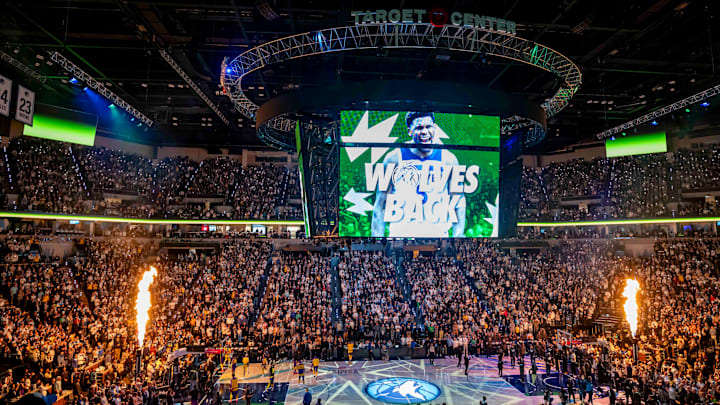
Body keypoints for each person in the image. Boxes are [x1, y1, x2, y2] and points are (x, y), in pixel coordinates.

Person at [371, 112, 466, 238]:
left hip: (437, 238)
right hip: (401, 237)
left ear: (435, 127)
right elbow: (381, 204)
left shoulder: (448, 159)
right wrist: (377, 242)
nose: (425, 132)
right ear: (409, 131)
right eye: (419, 128)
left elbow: (458, 201)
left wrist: (458, 238)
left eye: (428, 127)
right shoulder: (394, 158)